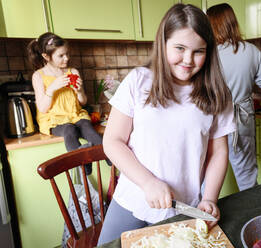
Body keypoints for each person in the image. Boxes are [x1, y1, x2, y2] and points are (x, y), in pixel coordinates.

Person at [98, 3, 236, 245]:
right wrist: (148, 183)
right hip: (131, 201)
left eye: (199, 51)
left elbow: (219, 152)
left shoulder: (217, 93)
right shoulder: (138, 81)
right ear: (163, 44)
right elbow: (113, 141)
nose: (188, 60)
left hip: (184, 209)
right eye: (180, 48)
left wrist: (210, 198)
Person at [207, 3, 261, 191]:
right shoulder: (251, 51)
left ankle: (202, 219)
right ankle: (253, 218)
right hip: (242, 118)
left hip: (211, 120)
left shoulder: (206, 54)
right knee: (247, 176)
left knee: (207, 176)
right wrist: (247, 86)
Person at [27, 32, 103, 174]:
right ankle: (82, 164)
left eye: (67, 54)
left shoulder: (72, 71)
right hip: (54, 120)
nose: (66, 58)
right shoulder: (38, 76)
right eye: (61, 55)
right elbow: (43, 108)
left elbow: (82, 102)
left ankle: (109, 156)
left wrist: (80, 91)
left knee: (86, 126)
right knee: (69, 129)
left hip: (75, 115)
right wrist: (52, 88)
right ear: (46, 56)